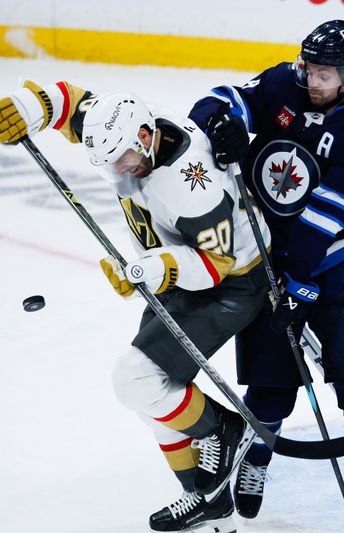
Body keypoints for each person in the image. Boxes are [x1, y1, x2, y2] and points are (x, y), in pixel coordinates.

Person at [0, 82, 272, 532]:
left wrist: (153, 266)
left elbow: (216, 265)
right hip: (180, 270)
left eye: (123, 160)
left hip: (234, 283)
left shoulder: (191, 186)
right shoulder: (122, 127)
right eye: (106, 162)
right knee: (155, 394)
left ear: (146, 138)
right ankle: (206, 496)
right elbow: (69, 101)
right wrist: (29, 108)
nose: (117, 170)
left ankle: (226, 430)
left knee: (137, 381)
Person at [187, 19, 344, 530]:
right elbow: (221, 100)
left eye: (325, 72)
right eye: (308, 65)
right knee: (270, 388)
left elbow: (325, 217)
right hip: (262, 260)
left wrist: (299, 281)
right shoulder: (286, 81)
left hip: (332, 266)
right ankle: (255, 462)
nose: (311, 78)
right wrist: (222, 121)